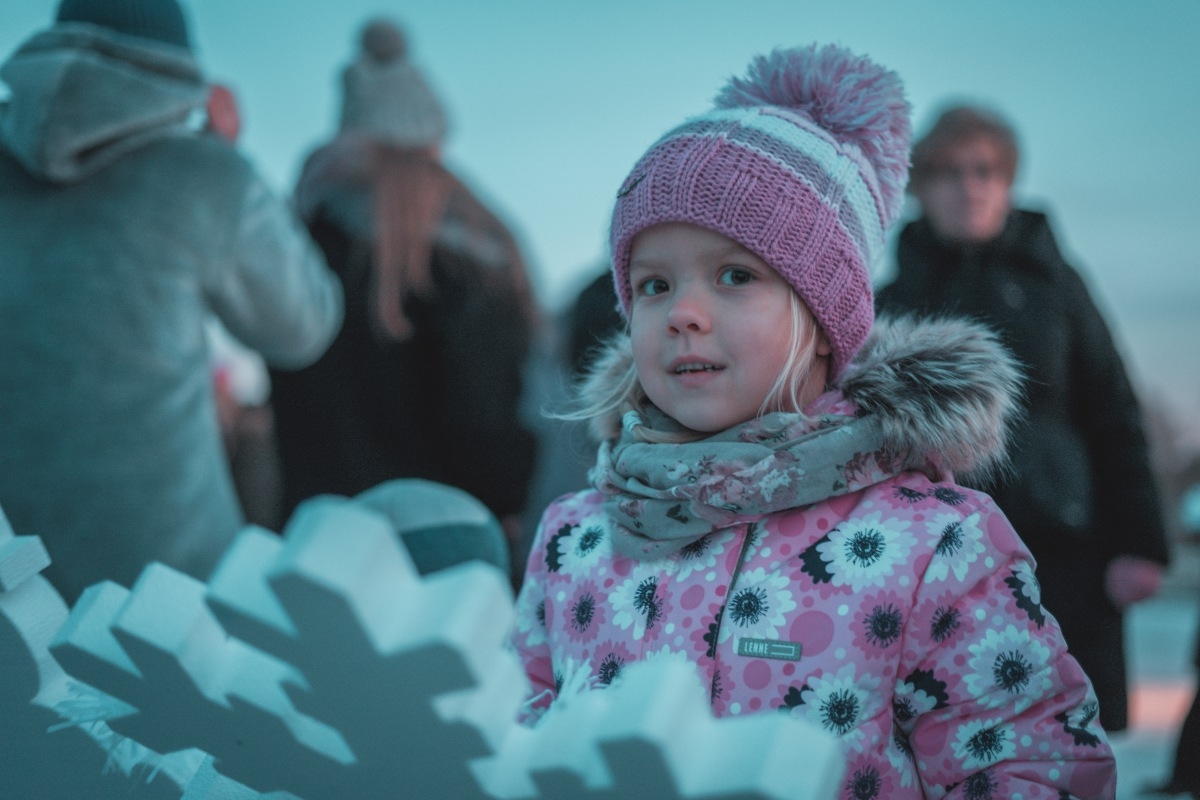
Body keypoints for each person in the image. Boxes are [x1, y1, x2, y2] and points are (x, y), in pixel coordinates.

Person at [508, 44, 1117, 796]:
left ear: (826, 321)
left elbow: (1031, 764)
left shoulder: (935, 545)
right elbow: (522, 732)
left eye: (736, 276)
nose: (683, 314)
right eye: (654, 283)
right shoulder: (579, 539)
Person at [0, 0, 344, 604]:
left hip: (12, 579)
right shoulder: (203, 174)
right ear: (178, 70)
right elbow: (303, 327)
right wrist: (229, 158)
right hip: (168, 586)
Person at [875, 104, 1170, 732]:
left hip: (1064, 543)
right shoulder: (895, 297)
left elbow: (1114, 410)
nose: (969, 185)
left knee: (1065, 731)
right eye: (948, 171)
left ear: (1008, 181)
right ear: (920, 188)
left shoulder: (1057, 285)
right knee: (949, 730)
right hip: (938, 556)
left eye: (985, 169)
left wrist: (1141, 543)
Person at [271, 17, 539, 560]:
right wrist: (508, 497)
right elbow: (482, 416)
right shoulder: (465, 248)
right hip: (441, 545)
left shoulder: (291, 250)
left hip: (312, 541)